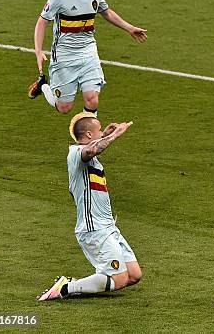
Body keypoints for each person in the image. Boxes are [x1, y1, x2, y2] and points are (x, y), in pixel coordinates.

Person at [37, 112, 141, 300]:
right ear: (89, 135)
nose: (102, 131)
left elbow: (95, 148)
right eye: (99, 130)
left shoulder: (89, 156)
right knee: (118, 279)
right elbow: (92, 150)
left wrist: (105, 134)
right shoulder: (75, 153)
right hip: (94, 229)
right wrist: (115, 135)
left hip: (108, 227)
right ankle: (66, 287)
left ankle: (79, 286)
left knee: (133, 275)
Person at [28, 0, 147, 115]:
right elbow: (42, 22)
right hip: (65, 56)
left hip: (88, 53)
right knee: (65, 108)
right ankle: (43, 86)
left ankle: (88, 141)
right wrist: (38, 51)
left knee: (92, 99)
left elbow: (107, 13)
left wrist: (130, 28)